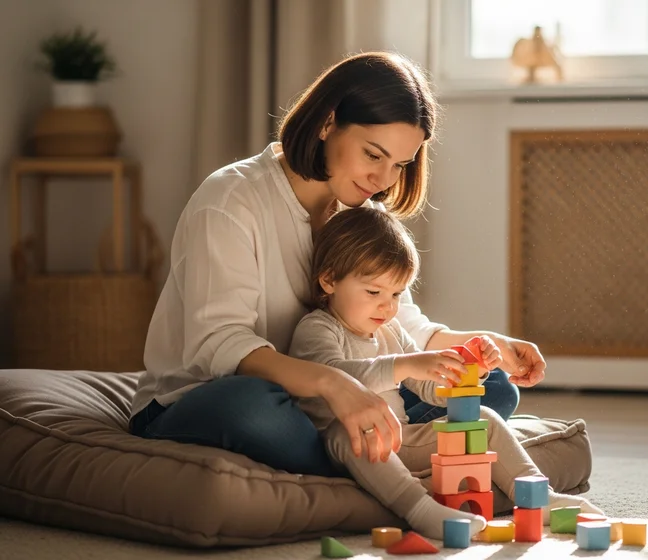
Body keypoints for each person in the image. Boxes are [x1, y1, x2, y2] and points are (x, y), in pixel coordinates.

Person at [128, 51, 545, 478]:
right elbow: (220, 344)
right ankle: (378, 460)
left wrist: (476, 344)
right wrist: (334, 384)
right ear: (328, 122)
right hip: (213, 396)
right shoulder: (230, 200)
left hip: (322, 399)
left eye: (399, 165)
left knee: (489, 386)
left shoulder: (362, 211)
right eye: (373, 155)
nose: (383, 180)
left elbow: (394, 323)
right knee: (252, 408)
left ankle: (360, 457)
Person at [289, 207, 603, 540]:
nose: (387, 306)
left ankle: (538, 500)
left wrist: (469, 372)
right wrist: (406, 364)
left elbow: (428, 390)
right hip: (341, 444)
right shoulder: (317, 329)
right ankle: (421, 509)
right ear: (329, 280)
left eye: (396, 294)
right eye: (373, 292)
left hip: (400, 439)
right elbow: (334, 375)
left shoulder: (390, 331)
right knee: (353, 434)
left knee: (482, 418)